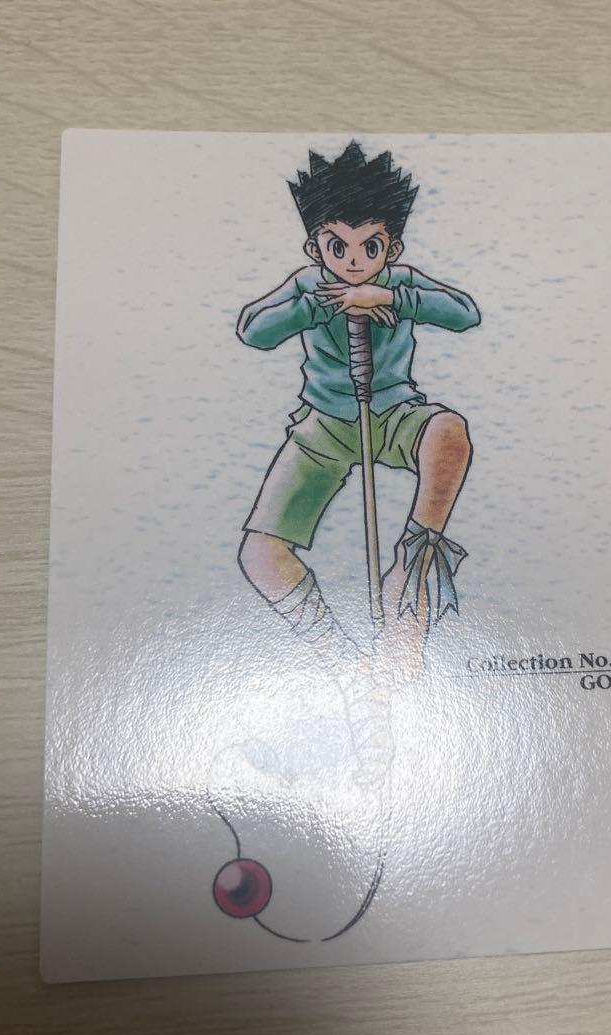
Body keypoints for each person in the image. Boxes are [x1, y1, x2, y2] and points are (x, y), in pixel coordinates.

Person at [236, 141, 479, 682]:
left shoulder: (400, 281)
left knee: (449, 432)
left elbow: (466, 313)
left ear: (391, 247)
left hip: (393, 414)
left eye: (369, 247)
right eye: (336, 245)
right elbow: (252, 330)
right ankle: (345, 662)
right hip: (323, 427)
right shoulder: (309, 284)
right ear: (314, 247)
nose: (353, 261)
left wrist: (390, 300)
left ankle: (409, 575)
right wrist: (315, 306)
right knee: (259, 554)